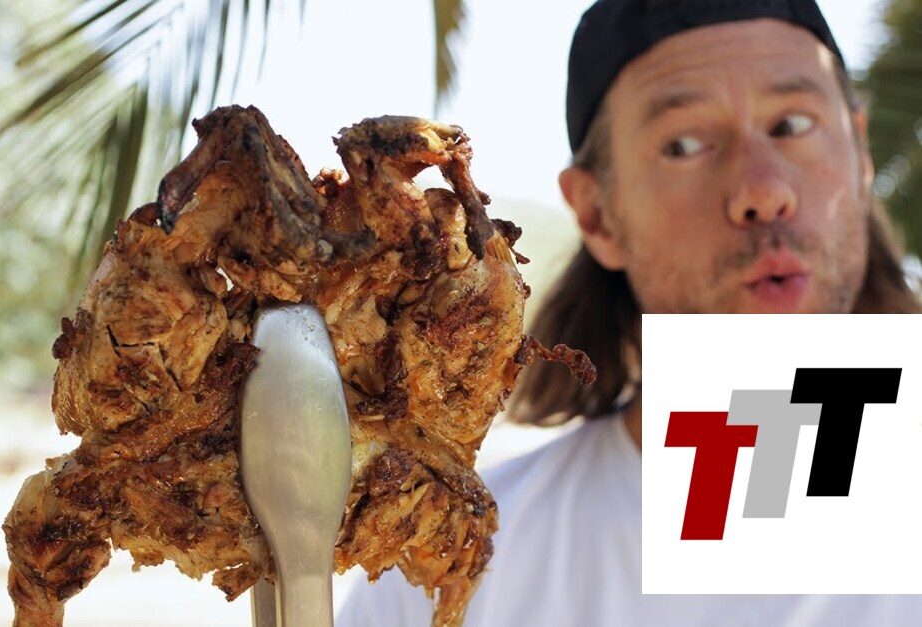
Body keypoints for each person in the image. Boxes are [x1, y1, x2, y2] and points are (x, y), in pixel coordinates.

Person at [336, 0, 922, 625]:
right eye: (684, 144)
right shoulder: (447, 563)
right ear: (597, 214)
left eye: (793, 125)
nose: (762, 191)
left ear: (860, 154)